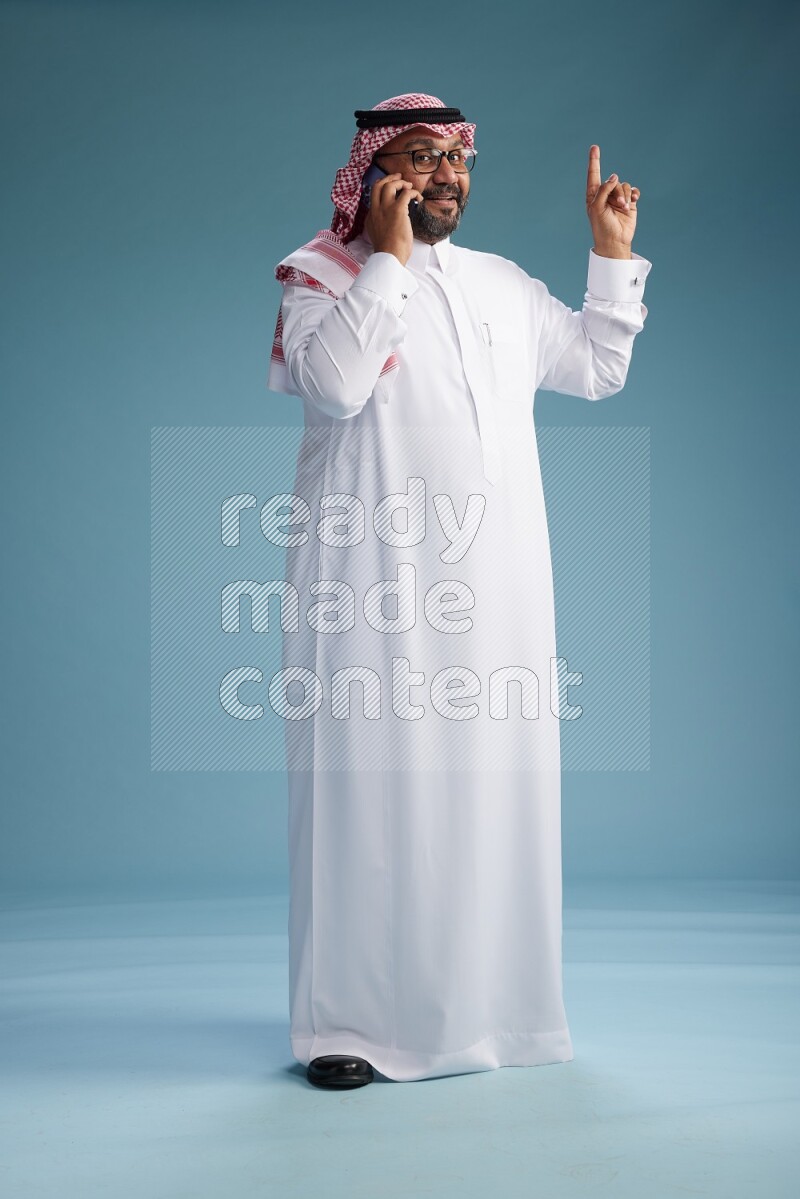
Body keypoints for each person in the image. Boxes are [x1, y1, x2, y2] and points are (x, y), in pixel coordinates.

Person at [267, 92, 651, 1089]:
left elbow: (596, 368)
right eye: (420, 156)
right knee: (368, 800)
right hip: (371, 589)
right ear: (373, 172)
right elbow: (335, 386)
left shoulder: (500, 284)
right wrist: (386, 263)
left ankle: (497, 1015)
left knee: (491, 794)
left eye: (458, 159)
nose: (446, 175)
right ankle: (347, 1024)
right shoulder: (321, 276)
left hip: (498, 591)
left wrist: (609, 254)